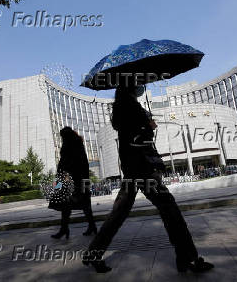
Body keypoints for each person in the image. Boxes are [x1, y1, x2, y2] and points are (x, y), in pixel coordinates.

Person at [83, 84, 214, 273]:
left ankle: (93, 253)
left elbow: (129, 138)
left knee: (119, 212)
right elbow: (138, 138)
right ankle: (188, 258)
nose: (140, 87)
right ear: (131, 88)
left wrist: (146, 125)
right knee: (169, 209)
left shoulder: (120, 109)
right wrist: (149, 127)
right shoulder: (132, 108)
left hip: (132, 168)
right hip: (143, 168)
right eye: (137, 84)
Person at [49, 127, 97, 239]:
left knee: (67, 204)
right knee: (82, 204)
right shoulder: (78, 145)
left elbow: (65, 165)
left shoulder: (69, 145)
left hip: (70, 180)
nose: (62, 139)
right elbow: (83, 164)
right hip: (79, 179)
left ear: (66, 136)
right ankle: (90, 226)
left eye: (62, 136)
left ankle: (65, 229)